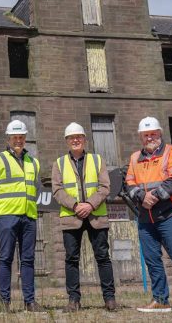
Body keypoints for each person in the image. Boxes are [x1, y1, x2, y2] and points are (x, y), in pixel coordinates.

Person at [126, 116, 172, 314]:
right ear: (141, 137)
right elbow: (129, 184)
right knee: (152, 259)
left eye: (153, 134)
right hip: (146, 218)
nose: (150, 138)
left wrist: (154, 196)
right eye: (146, 135)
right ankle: (160, 300)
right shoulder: (134, 158)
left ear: (160, 134)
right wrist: (142, 196)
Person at [52, 122, 117, 312]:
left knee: (103, 257)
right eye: (72, 138)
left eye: (79, 137)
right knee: (71, 259)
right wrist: (75, 205)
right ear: (66, 141)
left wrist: (90, 204)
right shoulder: (59, 163)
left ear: (84, 139)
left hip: (96, 216)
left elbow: (105, 187)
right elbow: (57, 190)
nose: (75, 140)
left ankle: (109, 298)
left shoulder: (98, 160)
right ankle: (74, 300)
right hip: (71, 218)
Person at [0, 120, 44, 312]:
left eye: (21, 137)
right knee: (6, 258)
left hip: (28, 216)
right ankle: (5, 302)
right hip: (7, 217)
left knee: (28, 259)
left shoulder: (33, 162)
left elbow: (37, 187)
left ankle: (30, 301)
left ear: (25, 139)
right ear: (8, 139)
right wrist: (1, 207)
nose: (18, 140)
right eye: (15, 137)